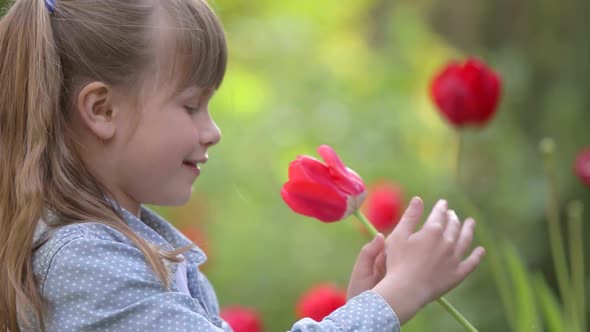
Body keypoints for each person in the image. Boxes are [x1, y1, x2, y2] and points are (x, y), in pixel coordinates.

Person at [0, 0, 486, 331]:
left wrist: (361, 307)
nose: (212, 130)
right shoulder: (83, 260)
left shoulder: (125, 242)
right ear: (102, 110)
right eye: (191, 106)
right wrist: (394, 298)